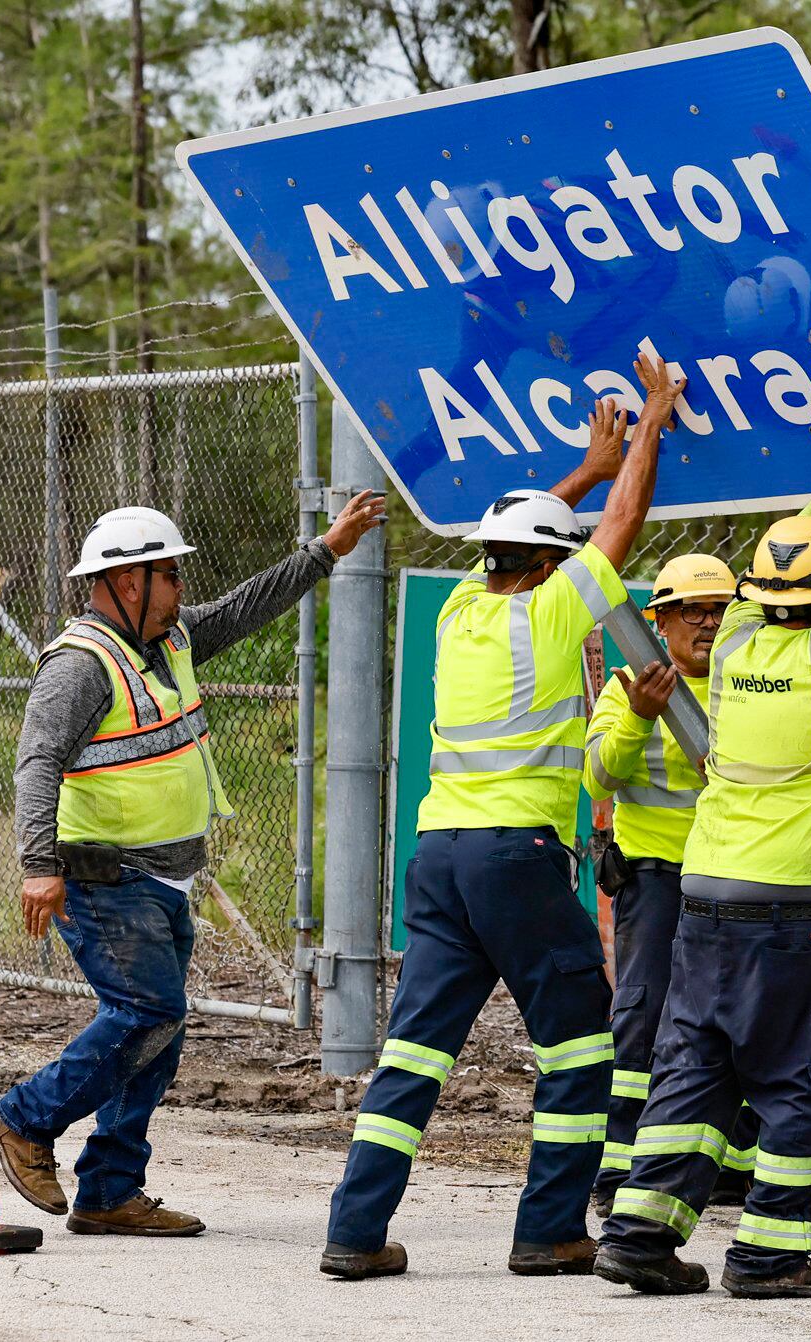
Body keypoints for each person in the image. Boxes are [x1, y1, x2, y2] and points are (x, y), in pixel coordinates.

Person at [321, 352, 681, 1281]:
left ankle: (354, 1233)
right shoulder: (555, 613)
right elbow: (623, 528)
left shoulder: (461, 614)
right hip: (515, 860)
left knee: (413, 1052)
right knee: (580, 1044)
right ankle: (549, 1228)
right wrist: (646, 427)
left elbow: (527, 542)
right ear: (553, 565)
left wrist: (582, 475)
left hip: (438, 857)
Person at [596, 369, 811, 1300]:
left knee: (693, 1068)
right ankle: (772, 1255)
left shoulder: (734, 637)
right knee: (806, 1079)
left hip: (705, 897)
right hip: (790, 909)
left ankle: (640, 1236)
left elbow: (777, 569)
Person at [0, 495, 384, 1235]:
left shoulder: (169, 641)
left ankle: (108, 1192)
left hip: (164, 879)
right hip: (108, 878)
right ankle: (22, 1119)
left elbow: (244, 606)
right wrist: (38, 864)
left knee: (156, 1033)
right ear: (129, 581)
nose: (180, 591)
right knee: (149, 1014)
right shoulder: (80, 666)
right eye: (169, 576)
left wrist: (327, 549)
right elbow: (36, 762)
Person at [582, 553, 761, 1214]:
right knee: (643, 1022)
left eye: (721, 608)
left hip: (735, 879)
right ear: (659, 621)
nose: (709, 622)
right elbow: (599, 777)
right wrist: (638, 717)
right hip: (656, 880)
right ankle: (618, 1175)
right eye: (693, 610)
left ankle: (729, 1168)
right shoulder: (628, 683)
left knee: (744, 1021)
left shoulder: (750, 683)